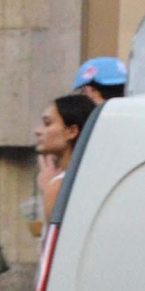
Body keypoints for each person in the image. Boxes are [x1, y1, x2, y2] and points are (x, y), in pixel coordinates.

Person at [30, 94, 90, 235]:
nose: (37, 131)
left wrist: (50, 187)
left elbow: (57, 244)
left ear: (72, 131)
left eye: (47, 123)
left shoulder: (58, 187)